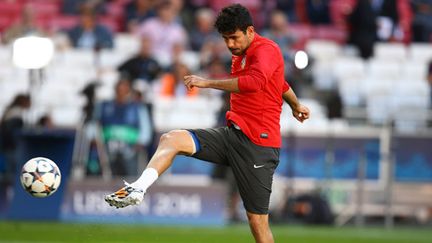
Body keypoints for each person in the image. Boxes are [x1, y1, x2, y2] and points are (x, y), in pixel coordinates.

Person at [105, 4, 310, 243]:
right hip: (233, 135)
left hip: (258, 146)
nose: (230, 44)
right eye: (226, 39)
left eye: (234, 38)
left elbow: (255, 82)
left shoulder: (267, 49)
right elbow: (280, 83)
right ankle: (138, 188)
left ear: (250, 31)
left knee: (257, 224)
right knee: (171, 139)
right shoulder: (241, 54)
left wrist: (206, 82)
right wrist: (296, 105)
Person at [94, 78, 152, 176]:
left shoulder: (137, 107)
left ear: (128, 91)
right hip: (107, 149)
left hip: (130, 150)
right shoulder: (104, 106)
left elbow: (146, 130)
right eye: (119, 90)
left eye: (124, 90)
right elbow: (94, 123)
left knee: (130, 178)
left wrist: (140, 142)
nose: (121, 93)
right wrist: (95, 139)